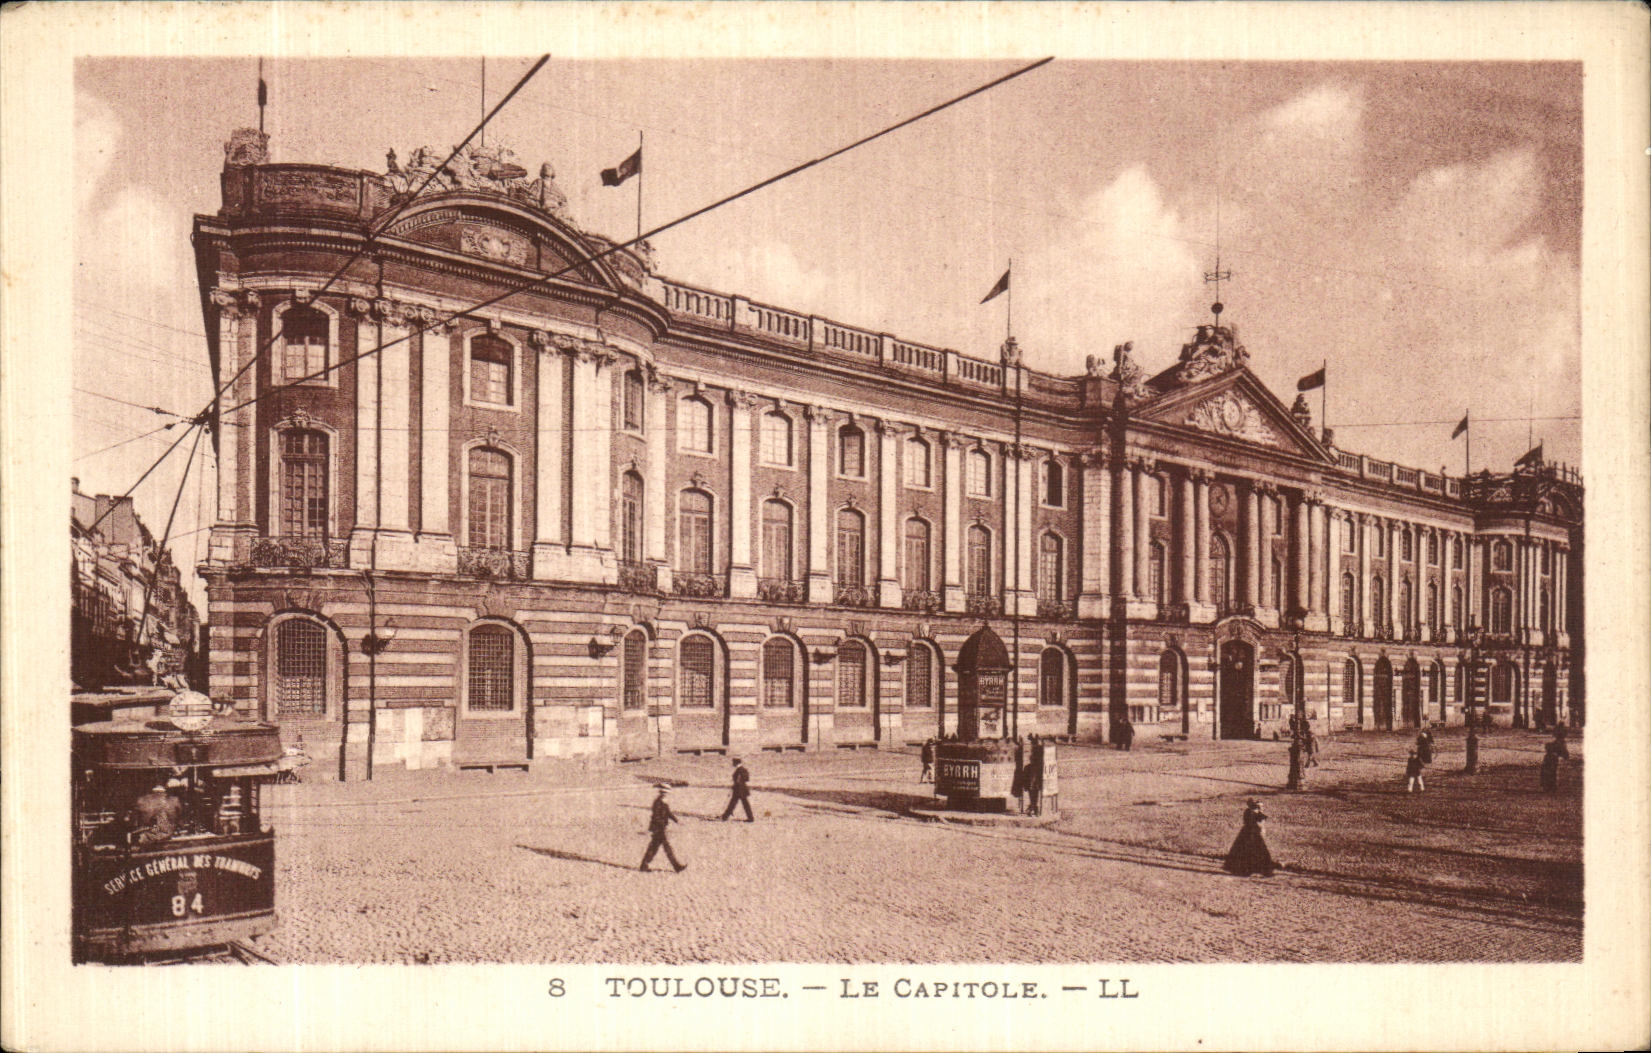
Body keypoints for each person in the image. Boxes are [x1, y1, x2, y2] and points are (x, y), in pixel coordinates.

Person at [1222, 800, 1278, 877]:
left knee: (1250, 852)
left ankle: (1247, 870)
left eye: (1262, 806)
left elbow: (1258, 824)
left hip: (1248, 834)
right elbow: (1259, 825)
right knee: (1257, 852)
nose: (1261, 808)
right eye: (1259, 806)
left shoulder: (1252, 812)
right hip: (1250, 835)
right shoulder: (1254, 813)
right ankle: (1252, 870)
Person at [640, 785, 687, 872]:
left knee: (654, 848)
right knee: (666, 848)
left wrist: (677, 821)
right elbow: (656, 817)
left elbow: (668, 813)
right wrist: (662, 825)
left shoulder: (663, 802)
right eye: (665, 793)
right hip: (658, 828)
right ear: (662, 793)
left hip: (659, 828)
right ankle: (676, 866)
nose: (666, 795)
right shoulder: (658, 803)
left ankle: (644, 865)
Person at [719, 757, 754, 822]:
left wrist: (738, 781)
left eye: (733, 763)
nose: (733, 764)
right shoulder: (742, 769)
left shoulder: (740, 770)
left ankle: (725, 817)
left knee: (734, 803)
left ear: (736, 763)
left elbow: (744, 779)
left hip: (739, 790)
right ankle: (750, 818)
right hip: (741, 790)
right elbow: (746, 779)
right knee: (742, 804)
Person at [1025, 735, 1045, 816]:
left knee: (1032, 788)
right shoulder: (1039, 749)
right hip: (1035, 771)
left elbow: (1035, 760)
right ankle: (1033, 806)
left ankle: (1033, 806)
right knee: (1034, 789)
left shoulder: (1037, 750)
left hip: (1035, 771)